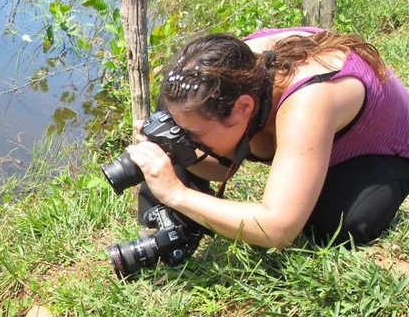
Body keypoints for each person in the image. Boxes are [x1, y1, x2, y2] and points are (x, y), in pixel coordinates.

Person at [126, 27, 409, 251]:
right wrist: (170, 148)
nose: (187, 138)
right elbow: (221, 166)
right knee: (172, 138)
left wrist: (177, 194)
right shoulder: (224, 74)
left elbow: (279, 229)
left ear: (244, 109)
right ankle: (169, 237)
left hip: (384, 154)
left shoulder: (308, 101)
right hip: (313, 132)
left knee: (330, 224)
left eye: (195, 133)